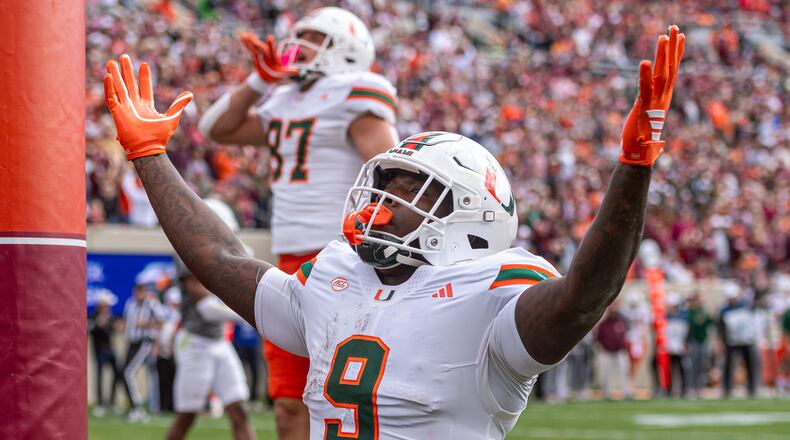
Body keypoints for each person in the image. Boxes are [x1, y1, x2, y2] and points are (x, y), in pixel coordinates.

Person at [103, 25, 684, 438]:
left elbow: (584, 295)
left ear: (471, 213)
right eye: (385, 183)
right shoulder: (334, 275)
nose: (384, 199)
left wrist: (634, 165)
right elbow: (221, 257)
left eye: (412, 189)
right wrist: (151, 155)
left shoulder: (492, 294)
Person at [197, 7, 399, 438]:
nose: (298, 43)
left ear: (347, 49)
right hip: (290, 261)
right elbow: (215, 128)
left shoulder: (353, 92)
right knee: (288, 400)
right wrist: (260, 80)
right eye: (299, 34)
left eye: (313, 37)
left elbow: (391, 173)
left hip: (343, 259)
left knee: (346, 395)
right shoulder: (284, 98)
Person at [165, 199, 256, 440]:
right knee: (187, 416)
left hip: (218, 341)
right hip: (195, 342)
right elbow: (207, 308)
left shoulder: (221, 254)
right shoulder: (191, 254)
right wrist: (250, 313)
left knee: (240, 410)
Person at [121, 282, 164, 422]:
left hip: (145, 342)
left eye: (142, 292)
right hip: (132, 342)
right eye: (137, 292)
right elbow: (127, 321)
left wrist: (145, 324)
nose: (139, 295)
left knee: (129, 372)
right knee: (125, 372)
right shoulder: (130, 303)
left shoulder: (152, 304)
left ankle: (138, 407)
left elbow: (161, 322)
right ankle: (135, 407)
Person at [718, 281, 758, 398]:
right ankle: (727, 389)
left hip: (746, 340)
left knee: (750, 364)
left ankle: (752, 388)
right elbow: (721, 327)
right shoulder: (724, 310)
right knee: (728, 365)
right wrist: (721, 340)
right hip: (732, 341)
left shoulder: (745, 306)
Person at [89, 289, 122, 417]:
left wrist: (113, 325)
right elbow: (91, 329)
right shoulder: (94, 316)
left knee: (118, 373)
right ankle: (100, 404)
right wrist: (98, 324)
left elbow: (114, 329)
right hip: (99, 351)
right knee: (100, 376)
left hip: (110, 350)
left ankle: (112, 402)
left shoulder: (110, 316)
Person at [595, 303, 631, 399]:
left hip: (620, 352)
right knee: (606, 374)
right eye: (612, 311)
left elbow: (627, 335)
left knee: (624, 373)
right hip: (607, 352)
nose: (613, 313)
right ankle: (606, 393)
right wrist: (604, 346)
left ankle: (626, 392)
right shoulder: (603, 324)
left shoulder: (622, 321)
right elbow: (598, 338)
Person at [686, 292, 714, 398]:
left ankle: (700, 387)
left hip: (703, 341)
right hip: (694, 341)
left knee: (702, 365)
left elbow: (709, 322)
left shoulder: (704, 311)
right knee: (692, 365)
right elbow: (692, 324)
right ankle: (691, 387)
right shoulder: (690, 312)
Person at [232, 320, 264, 411]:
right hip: (239, 344)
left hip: (254, 344)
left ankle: (254, 399)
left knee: (256, 372)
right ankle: (240, 399)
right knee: (238, 373)